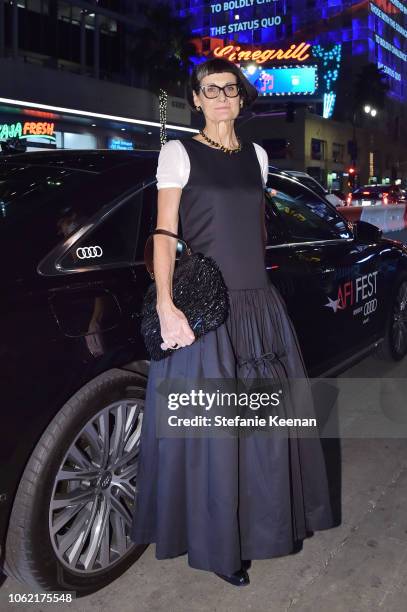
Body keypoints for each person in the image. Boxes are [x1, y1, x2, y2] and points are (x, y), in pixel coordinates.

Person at [130, 57, 335, 586]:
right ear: (195, 99)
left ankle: (255, 530)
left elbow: (256, 232)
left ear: (241, 99)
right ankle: (220, 548)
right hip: (208, 312)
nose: (221, 96)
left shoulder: (258, 156)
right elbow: (164, 233)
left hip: (259, 309)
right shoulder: (178, 153)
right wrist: (166, 305)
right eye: (209, 89)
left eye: (230, 88)